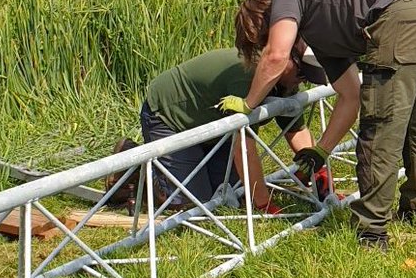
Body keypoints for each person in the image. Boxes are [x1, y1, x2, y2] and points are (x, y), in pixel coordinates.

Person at [234, 0, 416, 251]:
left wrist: (248, 104)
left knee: (381, 127)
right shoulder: (327, 38)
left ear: (273, 19)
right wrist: (321, 150)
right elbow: (350, 97)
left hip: (401, 13)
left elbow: (275, 55)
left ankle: (371, 232)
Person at [118, 47, 360, 214]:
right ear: (287, 60)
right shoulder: (250, 78)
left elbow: (295, 129)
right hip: (170, 117)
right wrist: (264, 204)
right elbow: (244, 145)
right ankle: (136, 169)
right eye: (300, 74)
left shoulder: (286, 81)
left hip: (211, 127)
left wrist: (318, 173)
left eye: (307, 78)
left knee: (232, 192)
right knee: (196, 204)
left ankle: (182, 162)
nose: (301, 82)